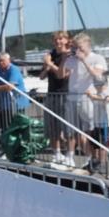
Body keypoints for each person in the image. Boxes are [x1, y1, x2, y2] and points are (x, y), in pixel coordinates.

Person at [62, 33, 107, 168]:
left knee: (92, 131)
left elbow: (97, 75)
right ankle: (90, 158)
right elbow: (62, 75)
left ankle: (98, 160)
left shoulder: (97, 58)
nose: (78, 50)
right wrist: (64, 58)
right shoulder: (72, 59)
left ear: (87, 45)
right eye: (75, 47)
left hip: (89, 98)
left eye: (80, 47)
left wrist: (84, 60)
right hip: (72, 97)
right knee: (75, 131)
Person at [0, 52, 30, 151]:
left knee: (17, 127)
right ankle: (7, 149)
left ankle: (19, 149)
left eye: (3, 60)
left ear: (8, 60)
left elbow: (10, 86)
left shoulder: (14, 69)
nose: (0, 62)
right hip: (5, 104)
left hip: (17, 103)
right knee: (6, 127)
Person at [39, 31, 71, 164]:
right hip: (51, 93)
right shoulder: (51, 55)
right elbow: (41, 76)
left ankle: (70, 155)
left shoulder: (69, 55)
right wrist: (47, 66)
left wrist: (50, 64)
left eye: (61, 39)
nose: (58, 42)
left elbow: (61, 75)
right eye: (56, 39)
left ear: (66, 40)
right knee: (52, 126)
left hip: (66, 94)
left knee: (68, 127)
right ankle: (56, 153)